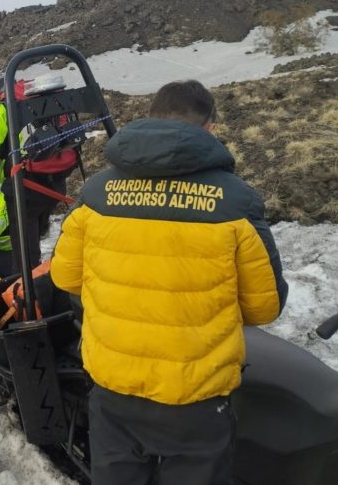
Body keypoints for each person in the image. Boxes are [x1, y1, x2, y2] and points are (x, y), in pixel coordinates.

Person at [50, 80, 289, 485]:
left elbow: (66, 277)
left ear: (151, 118)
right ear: (209, 128)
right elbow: (264, 307)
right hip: (194, 397)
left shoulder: (94, 193)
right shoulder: (235, 201)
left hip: (113, 386)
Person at [0, 76, 64, 275]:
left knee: (24, 260)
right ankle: (49, 276)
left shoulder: (1, 111)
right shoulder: (43, 103)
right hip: (55, 184)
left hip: (24, 191)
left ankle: (29, 296)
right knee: (37, 241)